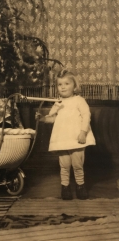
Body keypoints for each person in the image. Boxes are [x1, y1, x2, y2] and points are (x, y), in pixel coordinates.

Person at [36, 69, 95, 200]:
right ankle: (65, 188)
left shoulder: (79, 100)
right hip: (62, 139)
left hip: (77, 138)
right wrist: (43, 118)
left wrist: (83, 132)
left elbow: (86, 116)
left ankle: (80, 186)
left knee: (77, 165)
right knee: (64, 165)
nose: (63, 87)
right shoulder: (58, 103)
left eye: (67, 83)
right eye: (60, 84)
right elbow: (53, 119)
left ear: (74, 86)